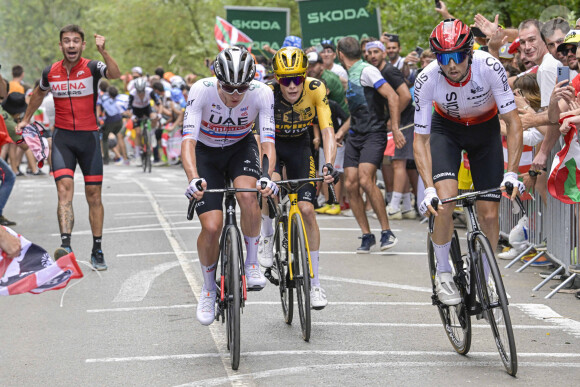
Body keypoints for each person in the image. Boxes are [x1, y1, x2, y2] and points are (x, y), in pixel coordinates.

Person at [413, 19, 524, 305]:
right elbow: (421, 140)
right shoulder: (426, 79)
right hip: (445, 130)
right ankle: (444, 273)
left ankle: (486, 277)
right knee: (445, 202)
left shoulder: (489, 66)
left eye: (457, 56)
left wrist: (512, 173)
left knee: (489, 213)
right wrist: (428, 189)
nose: (451, 64)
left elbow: (512, 122)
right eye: (443, 58)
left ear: (470, 53)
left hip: (484, 129)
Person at [182, 47, 277, 326]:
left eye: (242, 88)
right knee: (212, 226)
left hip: (240, 148)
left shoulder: (262, 92)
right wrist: (192, 178)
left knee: (249, 195)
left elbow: (268, 139)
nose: (236, 94)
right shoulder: (201, 90)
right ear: (216, 78)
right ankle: (209, 288)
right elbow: (188, 140)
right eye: (229, 87)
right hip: (206, 152)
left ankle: (251, 262)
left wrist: (267, 175)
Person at [17, 24, 120, 270]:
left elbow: (115, 74)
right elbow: (38, 95)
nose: (71, 45)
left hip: (89, 140)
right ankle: (67, 246)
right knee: (64, 190)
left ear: (82, 45)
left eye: (75, 41)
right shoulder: (50, 72)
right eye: (66, 41)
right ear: (61, 45)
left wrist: (104, 51)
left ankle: (97, 249)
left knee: (93, 195)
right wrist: (26, 119)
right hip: (63, 139)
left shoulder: (93, 67)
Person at [259, 47, 337, 309]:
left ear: (304, 76)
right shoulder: (266, 94)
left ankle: (315, 285)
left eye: (296, 79)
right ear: (276, 79)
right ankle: (267, 236)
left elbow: (327, 131)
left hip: (301, 147)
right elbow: (259, 137)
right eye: (284, 79)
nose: (291, 86)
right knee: (267, 189)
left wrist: (329, 163)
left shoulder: (316, 88)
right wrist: (264, 174)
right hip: (273, 146)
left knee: (307, 210)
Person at [336, 36, 403, 253]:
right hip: (355, 135)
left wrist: (394, 127)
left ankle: (386, 231)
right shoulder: (351, 73)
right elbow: (357, 112)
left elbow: (393, 97)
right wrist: (341, 131)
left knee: (365, 179)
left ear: (340, 54)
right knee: (351, 184)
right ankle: (367, 235)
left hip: (374, 133)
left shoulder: (367, 71)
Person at [366, 40, 417, 220]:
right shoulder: (378, 71)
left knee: (398, 163)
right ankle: (406, 207)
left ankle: (394, 207)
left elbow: (405, 96)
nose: (373, 56)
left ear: (383, 54)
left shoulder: (389, 71)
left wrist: (392, 120)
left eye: (376, 52)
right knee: (395, 162)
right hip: (398, 121)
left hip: (404, 121)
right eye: (369, 52)